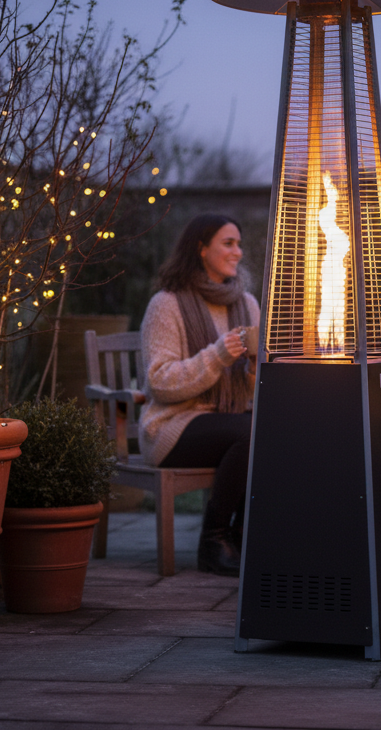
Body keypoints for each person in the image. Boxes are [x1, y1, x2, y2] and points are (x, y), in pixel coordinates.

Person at [138, 213, 259, 577]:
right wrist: (218, 355)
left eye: (239, 243)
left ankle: (243, 535)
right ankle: (214, 540)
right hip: (172, 425)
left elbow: (257, 389)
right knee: (250, 434)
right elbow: (160, 382)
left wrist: (254, 369)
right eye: (228, 243)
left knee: (277, 428)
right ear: (201, 249)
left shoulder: (247, 304)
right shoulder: (166, 304)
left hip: (229, 421)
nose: (238, 251)